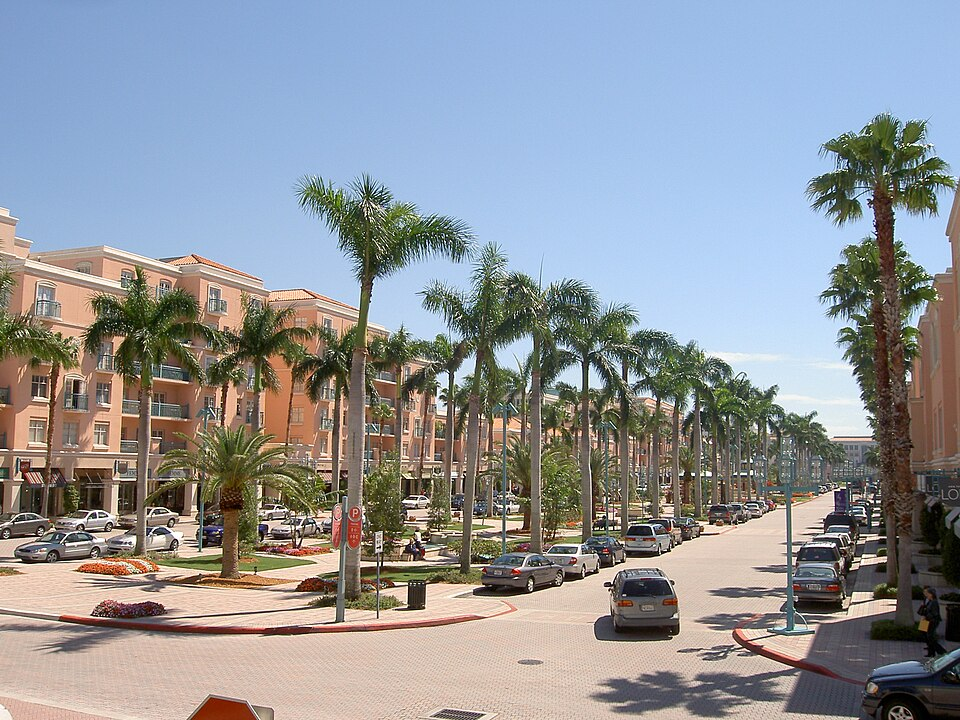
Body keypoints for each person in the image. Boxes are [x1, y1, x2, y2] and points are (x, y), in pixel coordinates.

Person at [919, 586, 947, 657]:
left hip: (932, 621)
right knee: (926, 635)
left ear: (931, 594)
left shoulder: (934, 602)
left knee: (930, 636)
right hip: (927, 620)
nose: (926, 594)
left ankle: (941, 651)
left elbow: (934, 613)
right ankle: (931, 652)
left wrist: (926, 617)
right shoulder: (929, 601)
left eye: (927, 593)